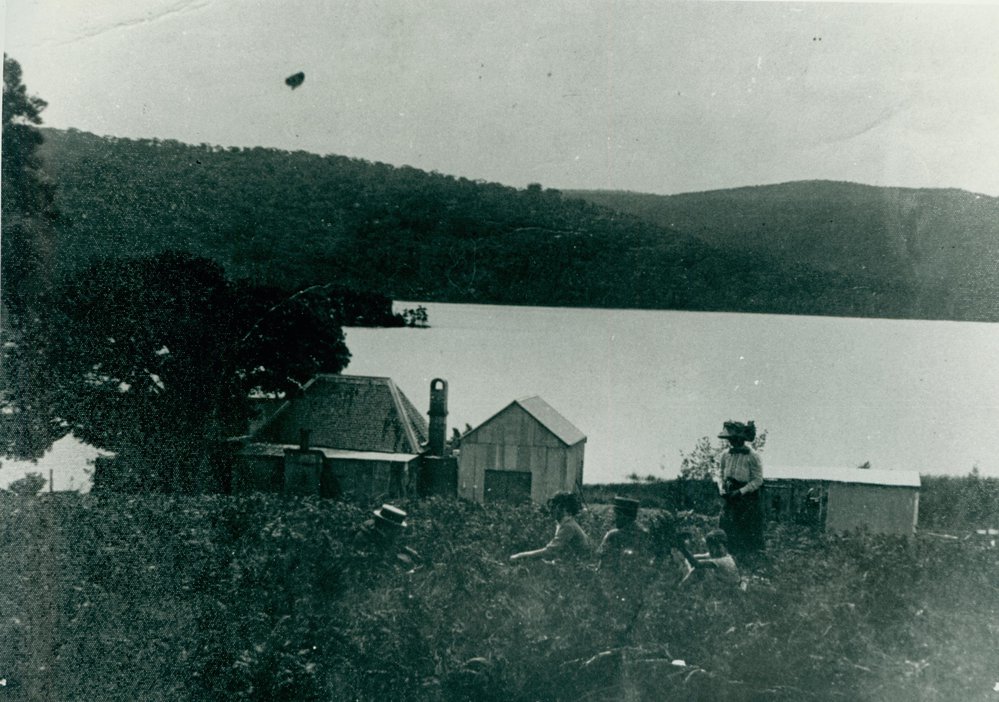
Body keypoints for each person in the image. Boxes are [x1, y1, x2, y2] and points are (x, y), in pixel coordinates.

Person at [717, 420, 765, 560]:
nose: (731, 442)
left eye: (734, 439)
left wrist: (740, 491)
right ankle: (727, 559)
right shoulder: (725, 455)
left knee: (745, 530)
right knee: (727, 528)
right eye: (730, 439)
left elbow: (758, 480)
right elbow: (720, 473)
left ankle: (746, 561)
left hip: (746, 498)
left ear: (741, 438)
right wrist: (721, 488)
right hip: (729, 496)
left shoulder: (753, 456)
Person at [510, 491, 592, 563]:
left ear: (563, 508)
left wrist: (520, 556)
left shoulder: (568, 526)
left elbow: (550, 551)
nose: (550, 511)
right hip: (574, 564)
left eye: (553, 507)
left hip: (578, 567)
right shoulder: (567, 523)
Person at [354, 503, 420, 569]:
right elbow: (366, 560)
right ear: (385, 525)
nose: (396, 531)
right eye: (395, 528)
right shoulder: (364, 536)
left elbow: (396, 546)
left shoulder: (384, 535)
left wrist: (410, 552)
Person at [675, 528, 740, 588]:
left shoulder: (724, 560)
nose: (711, 551)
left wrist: (683, 549)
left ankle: (680, 588)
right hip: (724, 584)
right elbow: (693, 558)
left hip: (730, 588)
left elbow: (697, 564)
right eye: (709, 548)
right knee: (700, 570)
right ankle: (681, 587)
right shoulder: (717, 555)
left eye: (713, 547)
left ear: (722, 546)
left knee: (700, 570)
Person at [597, 496, 647, 569]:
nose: (615, 518)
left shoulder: (613, 535)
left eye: (617, 515)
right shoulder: (644, 533)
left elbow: (602, 561)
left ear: (623, 516)